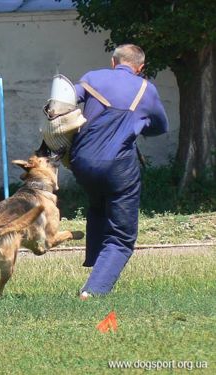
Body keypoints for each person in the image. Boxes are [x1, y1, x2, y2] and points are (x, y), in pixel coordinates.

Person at [70, 44, 169, 299]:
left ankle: (96, 264)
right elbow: (160, 126)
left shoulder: (93, 77)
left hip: (82, 162)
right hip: (118, 167)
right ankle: (94, 290)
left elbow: (65, 97)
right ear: (140, 68)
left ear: (113, 63)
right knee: (122, 237)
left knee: (98, 206)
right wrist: (138, 123)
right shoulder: (147, 90)